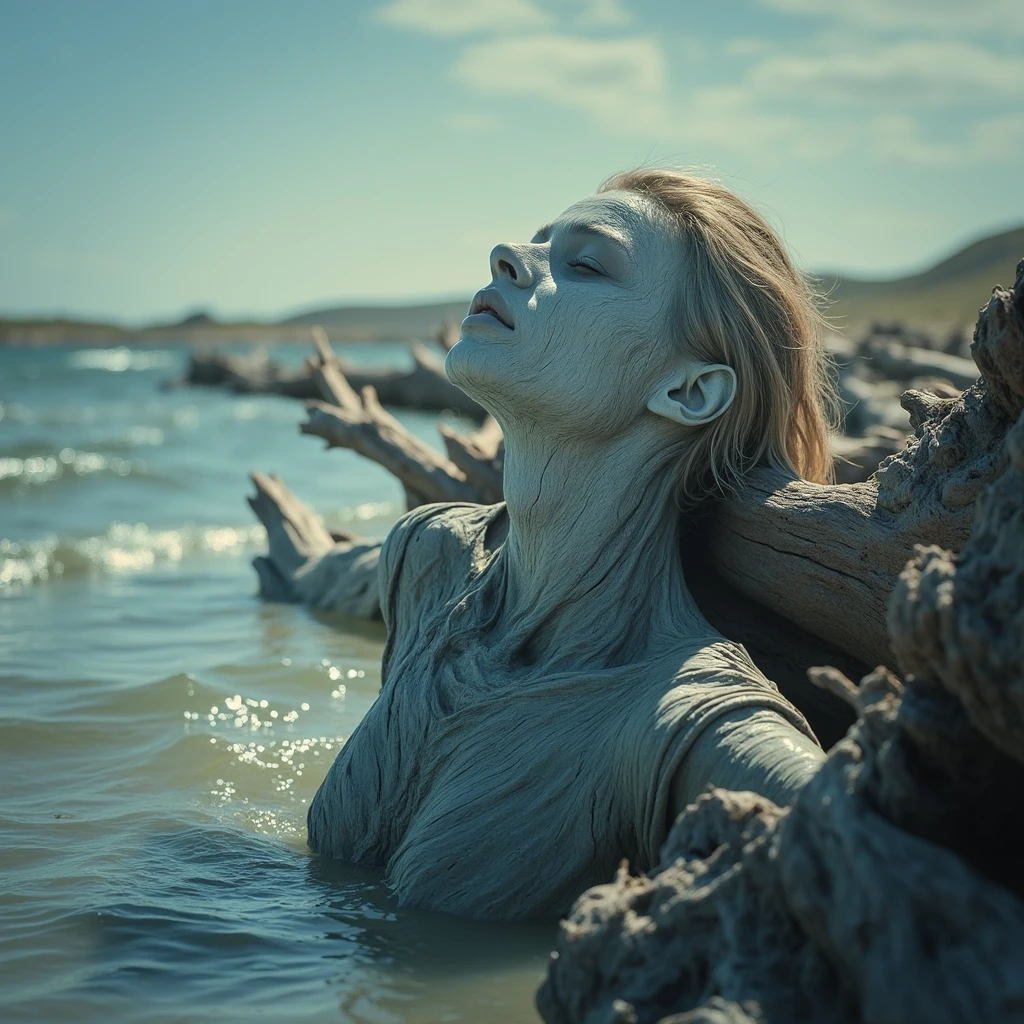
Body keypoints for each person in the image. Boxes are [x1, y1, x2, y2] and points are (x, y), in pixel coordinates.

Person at [307, 169, 836, 921]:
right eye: (539, 239)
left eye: (586, 264)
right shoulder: (429, 559)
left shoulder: (683, 721)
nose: (508, 255)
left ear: (689, 390)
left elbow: (879, 871)